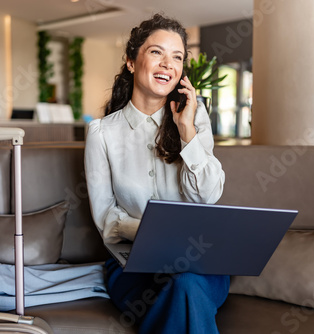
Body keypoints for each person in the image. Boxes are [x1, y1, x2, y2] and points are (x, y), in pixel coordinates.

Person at [84, 13, 229, 334]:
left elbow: (208, 195)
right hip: (135, 265)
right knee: (183, 291)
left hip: (199, 265)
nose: (168, 64)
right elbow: (107, 221)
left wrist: (187, 130)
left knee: (187, 284)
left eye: (177, 57)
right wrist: (155, 234)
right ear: (132, 62)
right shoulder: (102, 133)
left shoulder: (195, 118)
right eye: (156, 52)